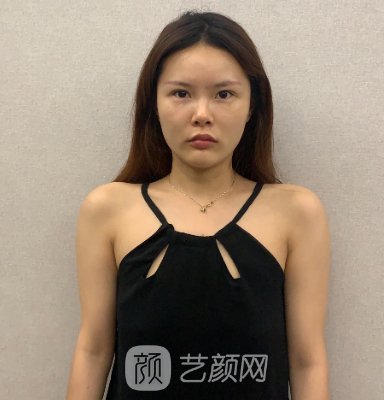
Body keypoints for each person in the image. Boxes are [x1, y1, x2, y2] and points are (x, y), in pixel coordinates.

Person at [65, 10, 331, 400]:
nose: (202, 114)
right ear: (153, 103)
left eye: (224, 94)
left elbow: (307, 362)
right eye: (181, 93)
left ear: (252, 105)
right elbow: (93, 350)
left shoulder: (297, 213)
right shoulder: (107, 209)